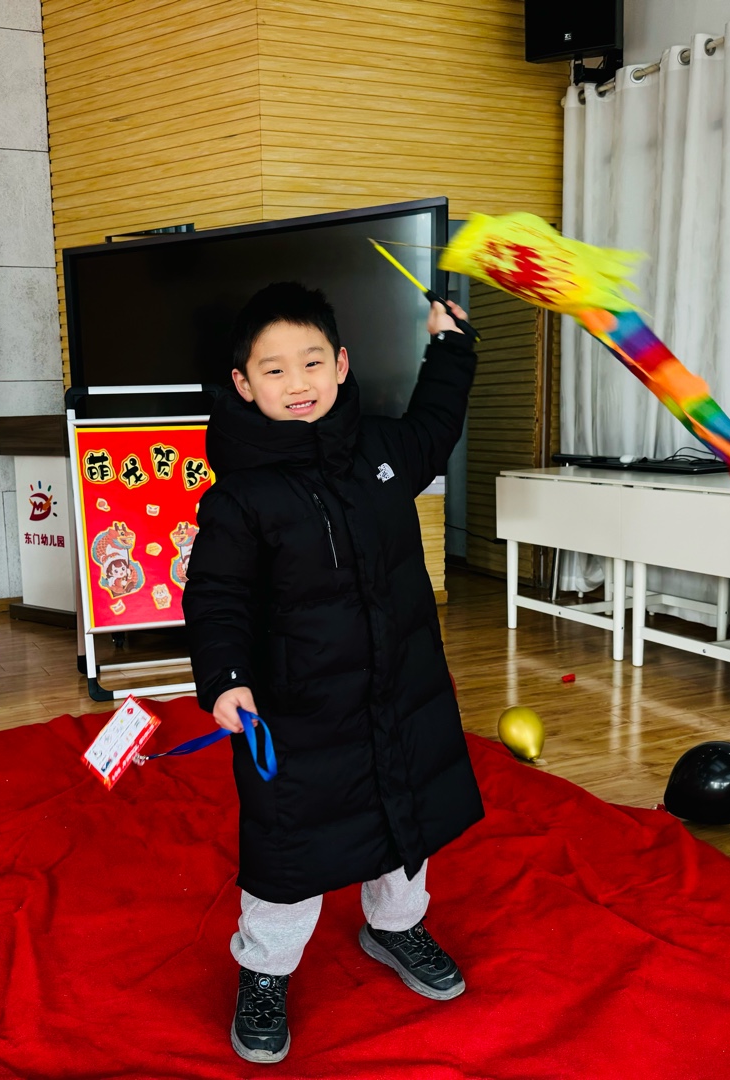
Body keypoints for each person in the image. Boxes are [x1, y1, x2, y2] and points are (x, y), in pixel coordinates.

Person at [184, 282, 484, 1064]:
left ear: (342, 365)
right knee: (291, 847)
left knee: (405, 816)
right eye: (275, 369)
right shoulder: (241, 497)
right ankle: (266, 969)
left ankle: (395, 926)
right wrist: (226, 678)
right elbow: (215, 596)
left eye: (312, 361)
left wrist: (450, 346)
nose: (298, 382)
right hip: (298, 711)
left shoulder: (381, 452)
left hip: (401, 688)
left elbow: (436, 422)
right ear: (244, 385)